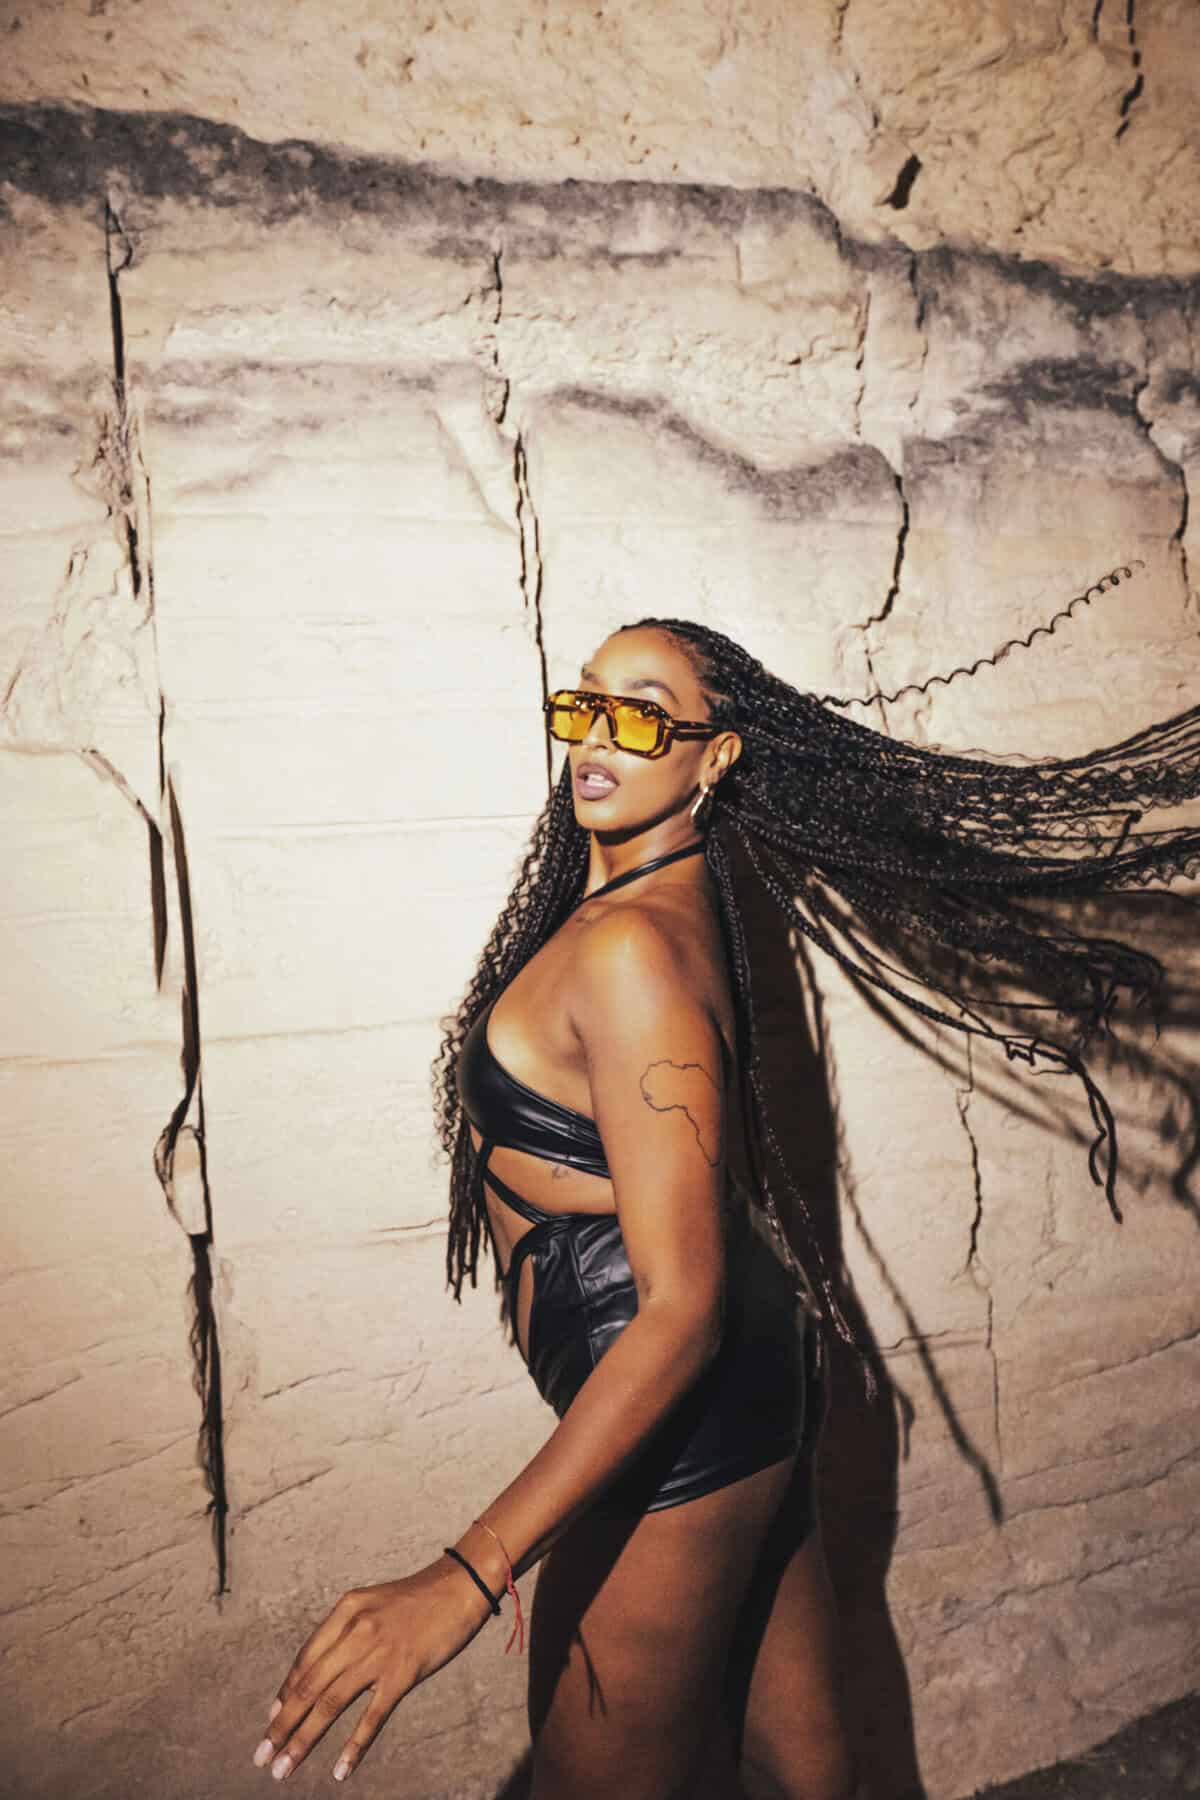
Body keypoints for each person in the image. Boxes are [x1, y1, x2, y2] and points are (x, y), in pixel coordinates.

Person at [251, 594, 1200, 1798]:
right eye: (586, 702)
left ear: (717, 757)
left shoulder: (630, 951)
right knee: (804, 1775)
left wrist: (466, 1575)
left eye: (646, 715)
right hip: (750, 1379)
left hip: (681, 1420)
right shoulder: (652, 910)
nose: (600, 735)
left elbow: (681, 1306)